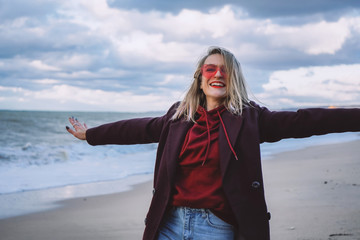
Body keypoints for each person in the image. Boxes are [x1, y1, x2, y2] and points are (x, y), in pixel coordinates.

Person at [66, 46, 360, 240]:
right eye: (210, 69)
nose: (218, 73)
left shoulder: (250, 119)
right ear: (200, 78)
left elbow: (305, 121)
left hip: (217, 227)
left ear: (234, 80)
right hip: (168, 223)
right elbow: (139, 129)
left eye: (225, 70)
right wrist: (91, 135)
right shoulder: (178, 117)